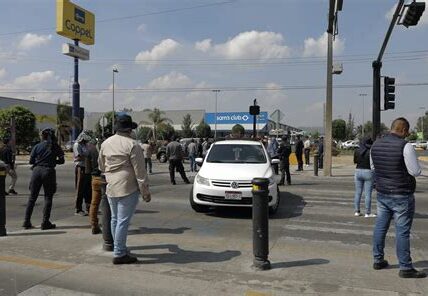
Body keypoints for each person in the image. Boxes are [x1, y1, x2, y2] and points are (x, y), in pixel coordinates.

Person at [371, 117, 426, 278]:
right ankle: (405, 267)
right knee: (402, 231)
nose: (407, 134)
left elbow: (374, 167)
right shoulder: (405, 146)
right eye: (407, 131)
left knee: (380, 227)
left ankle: (378, 259)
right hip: (401, 194)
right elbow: (415, 171)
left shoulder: (376, 143)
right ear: (402, 129)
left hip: (382, 193)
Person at [98, 114, 151, 265]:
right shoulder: (133, 144)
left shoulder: (106, 143)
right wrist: (145, 191)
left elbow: (101, 166)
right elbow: (140, 172)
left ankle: (119, 248)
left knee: (115, 219)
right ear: (129, 129)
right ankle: (120, 253)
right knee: (122, 221)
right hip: (127, 185)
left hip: (111, 185)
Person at [23, 128, 64, 230]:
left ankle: (26, 221)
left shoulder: (37, 146)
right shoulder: (55, 146)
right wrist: (53, 162)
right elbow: (62, 160)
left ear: (43, 136)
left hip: (36, 172)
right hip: (48, 172)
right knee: (48, 197)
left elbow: (31, 161)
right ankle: (45, 222)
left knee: (32, 198)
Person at [353, 137, 375, 218]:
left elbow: (355, 161)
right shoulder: (371, 151)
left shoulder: (357, 150)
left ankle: (357, 211)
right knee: (368, 194)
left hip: (358, 171)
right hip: (368, 172)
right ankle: (367, 212)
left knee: (358, 192)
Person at [86, 138, 104, 235]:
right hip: (106, 178)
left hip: (95, 178)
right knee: (110, 204)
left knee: (94, 203)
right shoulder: (108, 148)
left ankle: (94, 225)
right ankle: (109, 226)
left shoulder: (90, 150)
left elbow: (87, 170)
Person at [73, 131, 92, 216]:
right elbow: (79, 157)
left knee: (87, 188)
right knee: (80, 188)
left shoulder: (85, 145)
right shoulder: (77, 145)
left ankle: (88, 207)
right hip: (80, 168)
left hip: (87, 168)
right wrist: (87, 157)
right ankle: (78, 208)